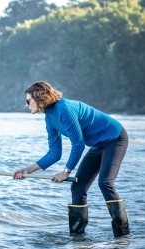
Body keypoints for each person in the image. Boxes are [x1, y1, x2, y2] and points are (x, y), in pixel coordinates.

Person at [13, 81, 129, 238]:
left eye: (28, 101)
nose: (26, 105)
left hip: (115, 138)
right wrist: (27, 170)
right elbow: (55, 152)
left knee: (105, 183)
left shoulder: (64, 110)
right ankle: (78, 238)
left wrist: (66, 172)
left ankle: (123, 236)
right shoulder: (49, 117)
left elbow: (78, 145)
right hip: (98, 145)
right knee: (78, 187)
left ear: (39, 98)